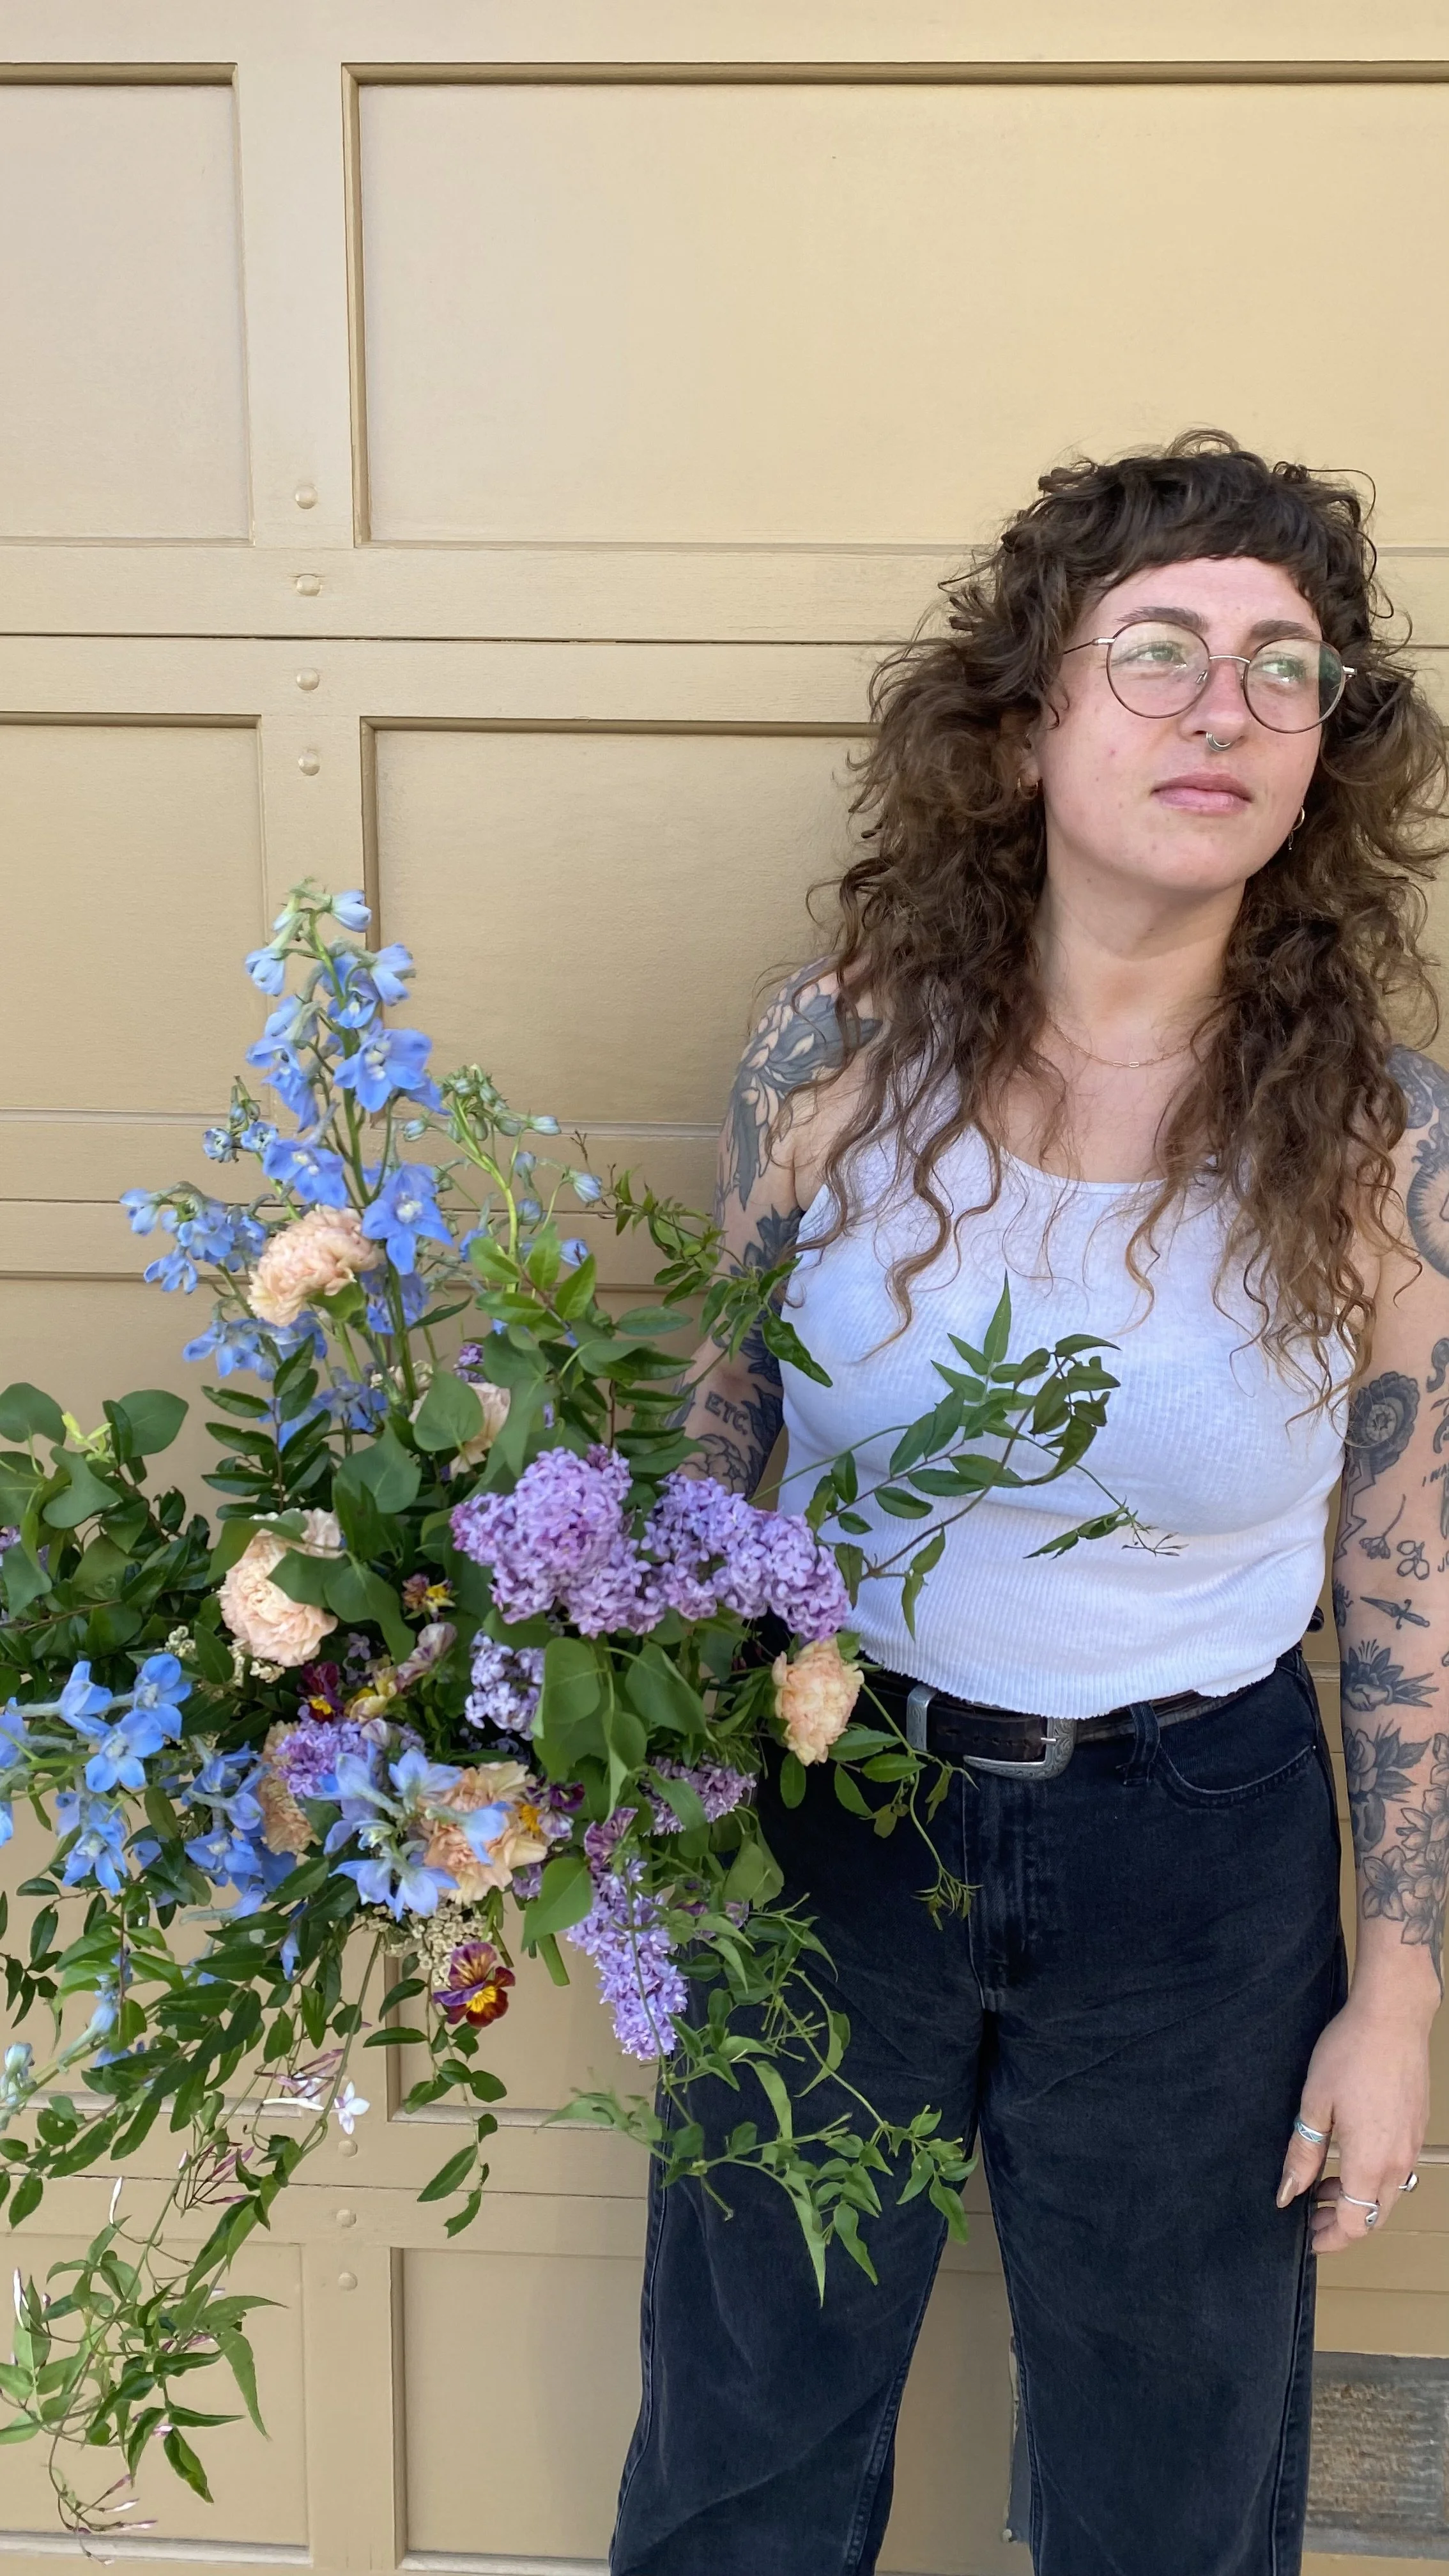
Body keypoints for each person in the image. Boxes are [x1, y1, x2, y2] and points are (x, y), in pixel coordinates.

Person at [608, 431, 1449, 2576]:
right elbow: (731, 1444)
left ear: (1323, 754)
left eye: (1285, 671)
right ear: (1020, 729)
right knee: (745, 2442)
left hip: (1198, 1863)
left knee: (1168, 2480)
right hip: (831, 1811)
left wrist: (1397, 2000)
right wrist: (620, 1783)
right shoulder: (831, 1061)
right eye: (1153, 650)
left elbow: (1401, 1583)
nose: (1224, 709)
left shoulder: (1379, 1144)